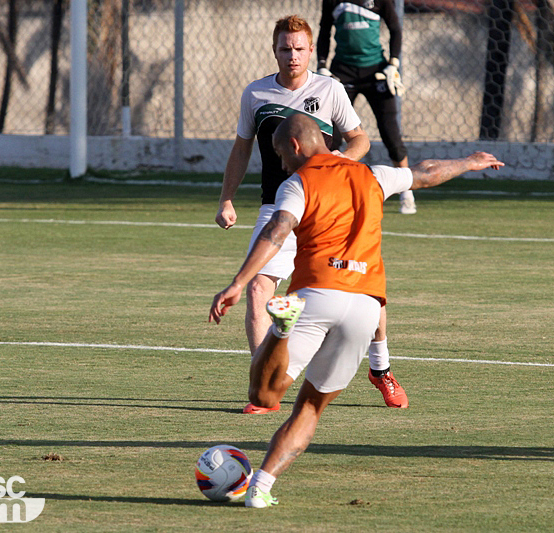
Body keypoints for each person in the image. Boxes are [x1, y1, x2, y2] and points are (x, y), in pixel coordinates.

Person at [209, 113, 504, 508]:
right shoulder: (373, 174)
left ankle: (280, 330)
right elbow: (426, 172)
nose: (280, 164)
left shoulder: (298, 182)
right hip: (366, 306)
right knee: (310, 407)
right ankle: (260, 488)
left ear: (295, 147)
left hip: (317, 295)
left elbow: (277, 229)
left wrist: (239, 283)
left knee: (263, 394)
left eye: (279, 154)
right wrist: (469, 163)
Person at [215, 14, 408, 412]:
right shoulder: (256, 94)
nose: (293, 56)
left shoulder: (330, 89)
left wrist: (335, 165)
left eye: (300, 49)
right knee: (258, 290)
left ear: (310, 50)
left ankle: (381, 368)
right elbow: (241, 149)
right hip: (279, 205)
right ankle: (265, 387)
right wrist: (226, 199)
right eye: (285, 48)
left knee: (361, 282)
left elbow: (360, 140)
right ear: (274, 50)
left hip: (329, 206)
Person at [316, 0, 416, 214]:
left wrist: (393, 63)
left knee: (390, 132)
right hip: (343, 71)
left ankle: (407, 192)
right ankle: (323, 187)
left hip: (376, 72)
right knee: (331, 134)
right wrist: (322, 65)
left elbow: (395, 29)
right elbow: (324, 30)